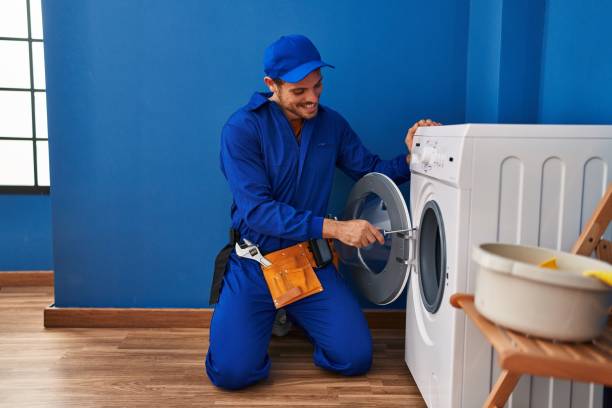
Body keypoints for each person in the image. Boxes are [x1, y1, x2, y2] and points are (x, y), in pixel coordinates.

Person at [206, 34, 440, 390]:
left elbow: (372, 170)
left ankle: (293, 313)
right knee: (232, 374)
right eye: (300, 91)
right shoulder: (242, 129)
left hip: (308, 264)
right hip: (254, 265)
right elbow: (258, 212)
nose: (313, 98)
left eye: (318, 86)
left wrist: (414, 156)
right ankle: (268, 316)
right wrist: (337, 229)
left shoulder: (332, 125)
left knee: (354, 358)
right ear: (272, 85)